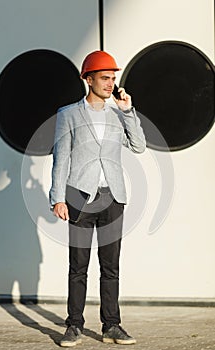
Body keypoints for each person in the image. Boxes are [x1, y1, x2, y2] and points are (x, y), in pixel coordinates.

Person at [49, 50, 146, 347]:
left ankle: (112, 326)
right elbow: (60, 158)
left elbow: (139, 146)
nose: (110, 83)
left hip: (112, 197)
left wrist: (128, 111)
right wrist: (58, 198)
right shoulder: (68, 114)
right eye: (104, 78)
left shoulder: (119, 112)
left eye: (112, 78)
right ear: (88, 79)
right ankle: (74, 326)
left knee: (110, 266)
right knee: (78, 267)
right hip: (79, 196)